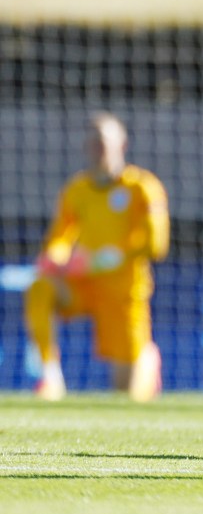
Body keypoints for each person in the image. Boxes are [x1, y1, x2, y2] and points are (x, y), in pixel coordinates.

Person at [24, 112, 168, 402]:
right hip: (85, 284)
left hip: (123, 289)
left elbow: (156, 245)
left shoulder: (142, 187)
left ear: (122, 145)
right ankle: (50, 378)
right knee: (40, 288)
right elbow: (58, 240)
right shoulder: (76, 191)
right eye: (92, 143)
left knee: (128, 393)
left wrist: (111, 258)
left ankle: (147, 359)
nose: (97, 148)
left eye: (103, 142)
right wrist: (57, 259)